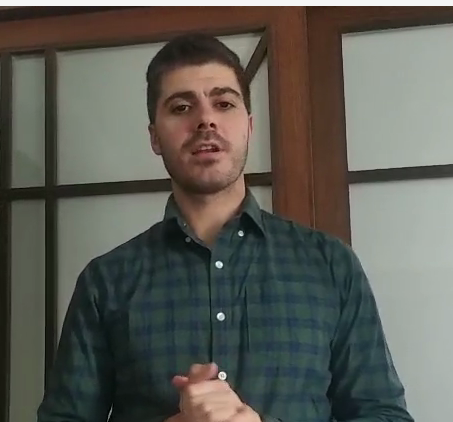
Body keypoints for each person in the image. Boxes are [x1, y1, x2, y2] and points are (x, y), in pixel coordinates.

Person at [37, 33, 414, 422]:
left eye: (224, 103)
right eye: (182, 107)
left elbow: (385, 416)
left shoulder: (331, 265)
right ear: (155, 137)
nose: (206, 119)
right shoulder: (106, 281)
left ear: (248, 126)